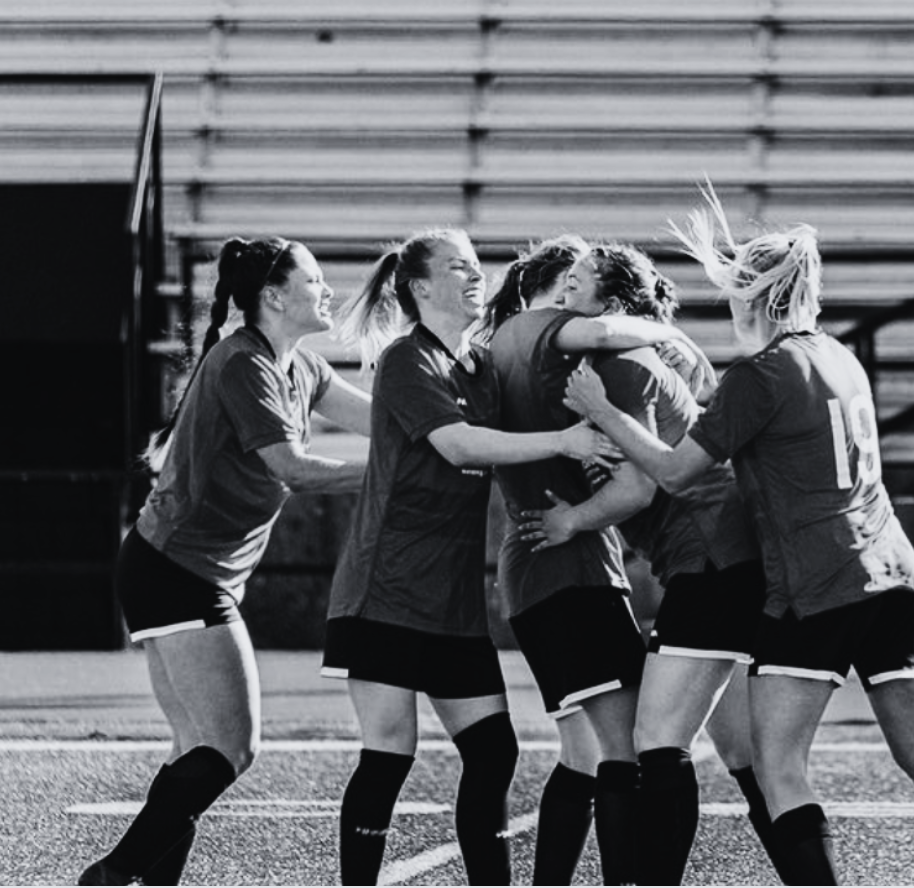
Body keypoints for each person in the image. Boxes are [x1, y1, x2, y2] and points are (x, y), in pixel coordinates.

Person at [563, 187, 914, 886]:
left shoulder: (760, 374)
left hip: (819, 582)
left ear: (750, 297)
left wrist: (602, 411)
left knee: (778, 766)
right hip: (898, 574)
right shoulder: (840, 355)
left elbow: (676, 472)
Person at [319, 229, 619, 886]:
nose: (476, 274)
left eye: (475, 263)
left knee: (492, 751)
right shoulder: (406, 359)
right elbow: (459, 445)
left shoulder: (480, 366)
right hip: (386, 591)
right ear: (421, 287)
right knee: (389, 754)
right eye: (458, 266)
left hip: (451, 602)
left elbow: (526, 404)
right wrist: (565, 441)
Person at [80, 238, 373, 887]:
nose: (327, 290)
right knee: (231, 748)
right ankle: (110, 876)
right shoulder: (244, 363)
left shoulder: (302, 366)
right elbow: (294, 469)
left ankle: (134, 880)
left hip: (170, 567)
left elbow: (389, 424)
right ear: (274, 297)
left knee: (193, 748)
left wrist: (464, 436)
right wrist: (392, 476)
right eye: (314, 280)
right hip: (177, 571)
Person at [480, 237, 756, 885]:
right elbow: (639, 478)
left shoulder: (602, 364)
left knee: (648, 747)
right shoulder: (560, 347)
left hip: (697, 559)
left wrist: (575, 511)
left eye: (584, 279)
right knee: (679, 749)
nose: (571, 294)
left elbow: (639, 483)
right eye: (568, 281)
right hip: (634, 565)